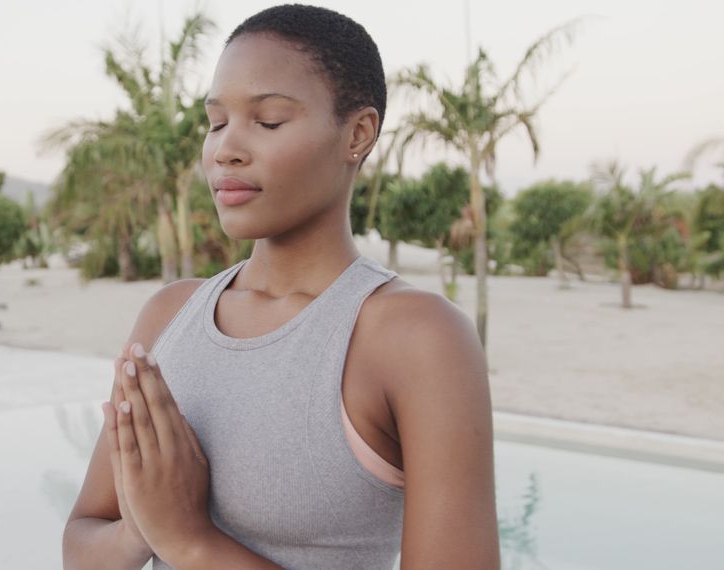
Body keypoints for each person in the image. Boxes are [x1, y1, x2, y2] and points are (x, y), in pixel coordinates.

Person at [63, 5, 499, 569]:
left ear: (358, 134)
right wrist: (137, 533)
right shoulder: (169, 315)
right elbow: (82, 541)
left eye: (267, 121)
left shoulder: (413, 337)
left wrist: (189, 540)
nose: (225, 149)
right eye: (216, 122)